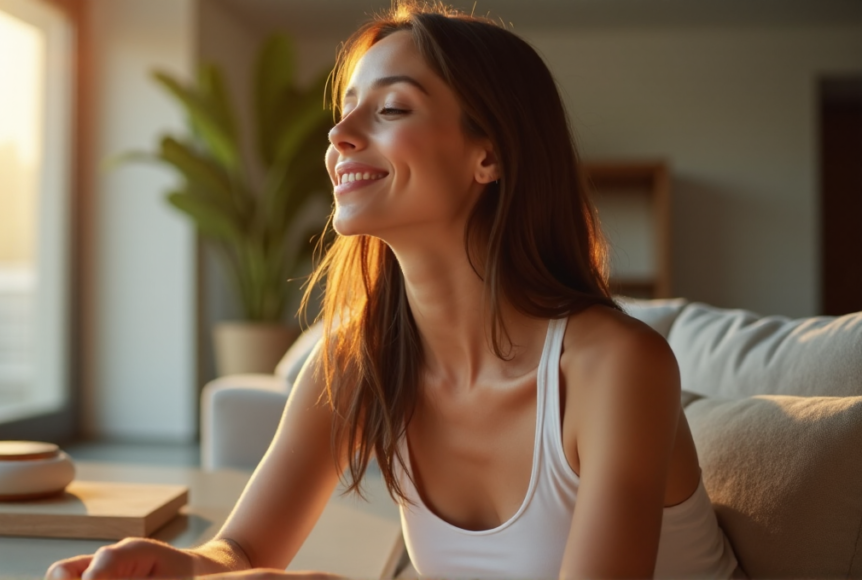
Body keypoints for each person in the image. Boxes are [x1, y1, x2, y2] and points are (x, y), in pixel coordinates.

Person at [47, 2, 740, 578]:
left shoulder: (614, 368)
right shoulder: (353, 359)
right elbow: (247, 551)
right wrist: (176, 566)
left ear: (489, 155)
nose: (339, 134)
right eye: (347, 110)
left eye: (392, 110)